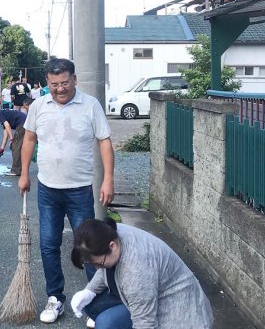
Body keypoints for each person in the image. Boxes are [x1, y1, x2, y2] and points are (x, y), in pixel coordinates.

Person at [18, 58, 118, 324]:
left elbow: (105, 142)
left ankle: (96, 302)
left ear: (74, 79)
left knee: (88, 246)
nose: (60, 89)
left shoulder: (90, 105)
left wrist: (108, 179)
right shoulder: (39, 106)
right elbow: (29, 140)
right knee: (49, 245)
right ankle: (55, 298)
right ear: (47, 83)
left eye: (64, 83)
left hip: (79, 190)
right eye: (54, 84)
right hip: (48, 189)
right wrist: (25, 173)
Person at [70, 218, 213, 328]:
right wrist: (89, 291)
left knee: (105, 324)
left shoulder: (136, 271)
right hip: (154, 298)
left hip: (181, 318)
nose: (97, 269)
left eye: (99, 264)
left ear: (111, 246)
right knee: (91, 304)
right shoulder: (110, 232)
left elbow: (144, 324)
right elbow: (105, 265)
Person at [0, 108, 26, 176]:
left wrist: (12, 139)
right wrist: (1, 149)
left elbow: (7, 125)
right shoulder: (3, 117)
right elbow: (5, 136)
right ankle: (17, 168)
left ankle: (16, 170)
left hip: (22, 123)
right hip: (23, 122)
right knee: (16, 146)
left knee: (15, 146)